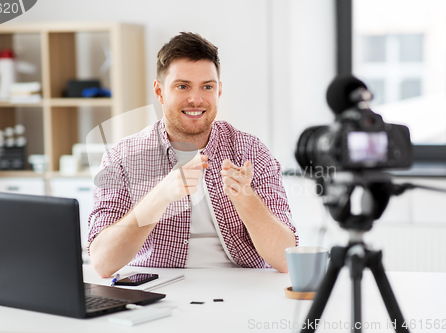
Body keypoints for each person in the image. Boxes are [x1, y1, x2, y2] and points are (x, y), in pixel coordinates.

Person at [88, 32, 298, 278]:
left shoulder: (250, 151)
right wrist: (161, 196)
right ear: (159, 92)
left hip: (244, 287)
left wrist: (246, 198)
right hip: (157, 289)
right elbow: (102, 263)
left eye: (207, 87)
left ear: (219, 91)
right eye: (182, 86)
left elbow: (285, 260)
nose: (196, 99)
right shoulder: (121, 157)